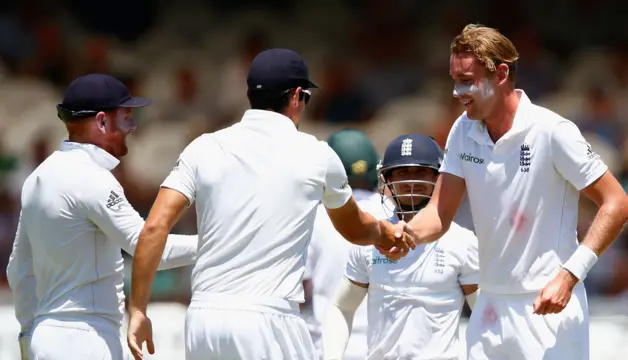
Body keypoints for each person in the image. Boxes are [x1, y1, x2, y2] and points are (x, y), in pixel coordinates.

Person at [125, 48, 414, 360]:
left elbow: (154, 228)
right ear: (295, 97)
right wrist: (384, 234)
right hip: (268, 321)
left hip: (204, 320)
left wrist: (138, 309)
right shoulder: (316, 154)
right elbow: (355, 229)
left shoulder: (204, 148)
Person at [403, 24, 628, 359]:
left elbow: (618, 203)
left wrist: (570, 275)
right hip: (489, 307)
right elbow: (439, 213)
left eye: (467, 80)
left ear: (500, 73)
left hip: (550, 308)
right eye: (455, 79)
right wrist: (402, 234)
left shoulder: (552, 131)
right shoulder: (462, 131)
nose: (457, 91)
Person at [5, 74, 199, 360]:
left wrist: (28, 335)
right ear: (102, 122)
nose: (132, 127)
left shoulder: (36, 179)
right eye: (126, 117)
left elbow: (18, 270)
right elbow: (145, 246)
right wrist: (221, 243)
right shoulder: (94, 179)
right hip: (88, 338)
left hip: (45, 338)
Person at [322, 134, 479, 360]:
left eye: (421, 172)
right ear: (386, 178)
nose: (411, 181)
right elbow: (341, 307)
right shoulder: (372, 238)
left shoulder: (462, 241)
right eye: (402, 172)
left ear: (439, 177)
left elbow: (484, 315)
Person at [303, 129, 387, 360]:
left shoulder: (313, 217)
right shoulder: (392, 213)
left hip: (329, 346)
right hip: (384, 346)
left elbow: (301, 289)